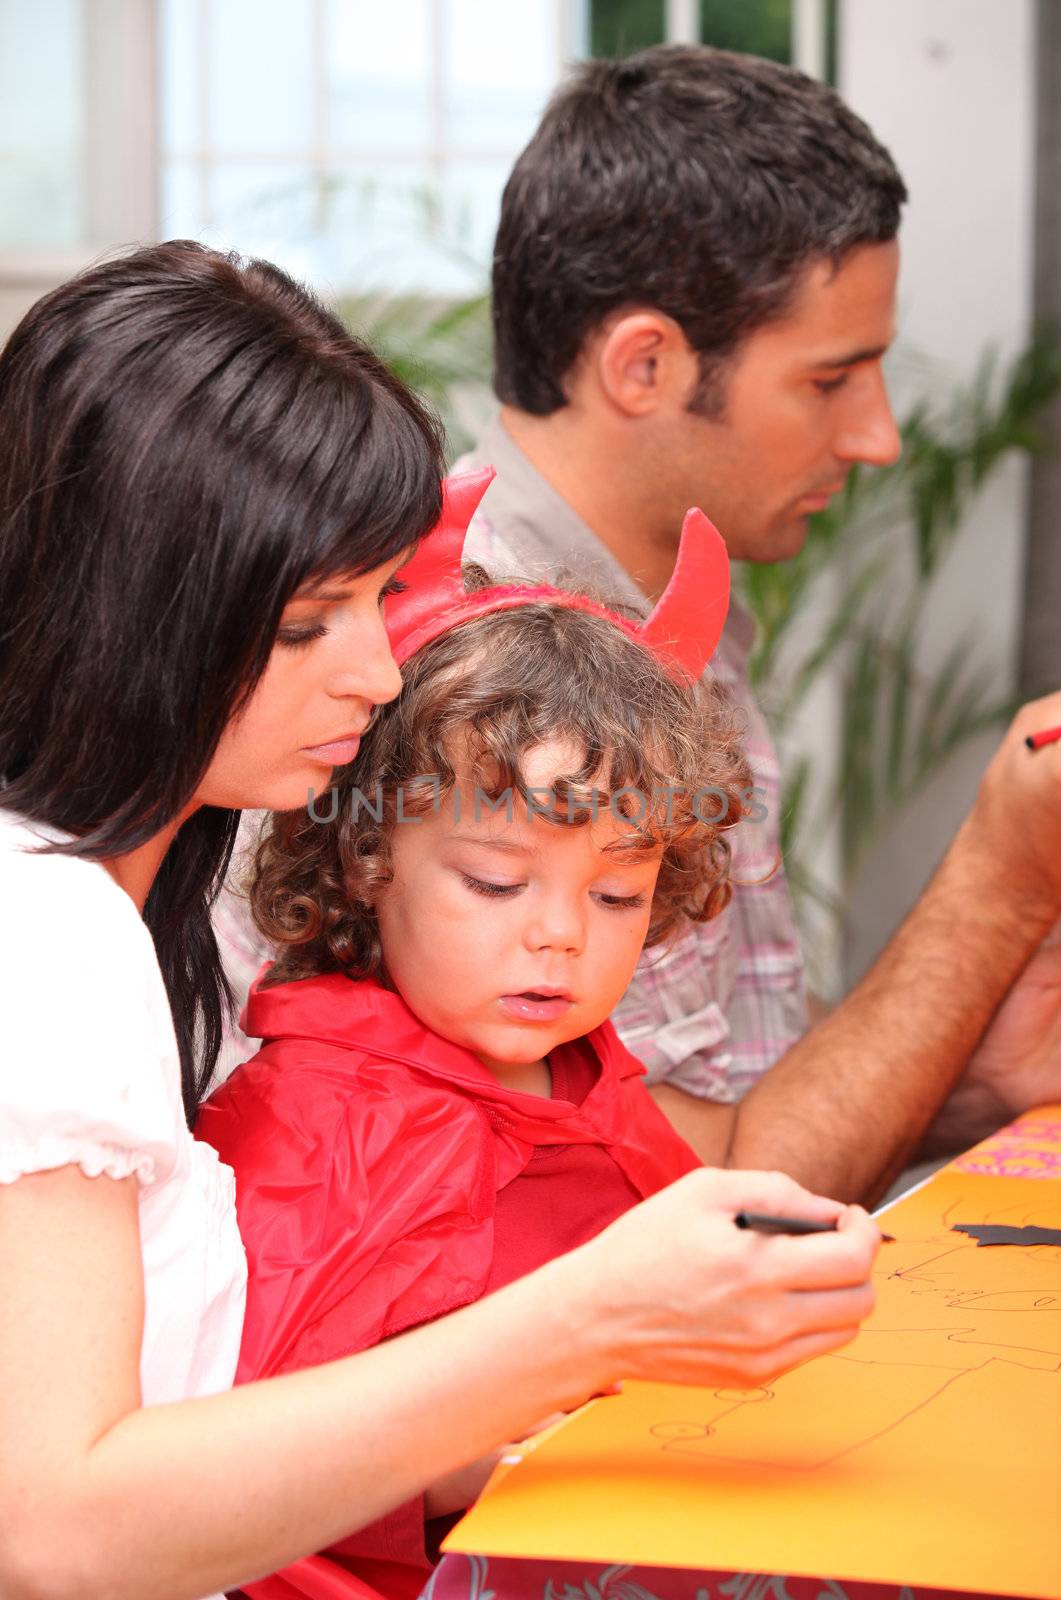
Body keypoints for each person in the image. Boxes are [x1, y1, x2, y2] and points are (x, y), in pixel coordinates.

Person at [0, 242, 881, 1600]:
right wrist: (592, 1319)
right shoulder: (49, 930)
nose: (372, 672)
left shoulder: (123, 909)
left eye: (373, 601)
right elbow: (55, 1533)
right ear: (138, 612)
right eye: (312, 620)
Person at [214, 46, 1061, 1204]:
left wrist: (975, 1080)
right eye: (830, 379)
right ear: (644, 364)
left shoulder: (670, 605)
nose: (878, 438)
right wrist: (1000, 877)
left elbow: (752, 1095)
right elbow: (691, 1194)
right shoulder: (461, 663)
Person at [197, 473, 785, 1596]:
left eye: (616, 897)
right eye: (494, 881)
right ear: (367, 856)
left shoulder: (586, 1073)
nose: (558, 937)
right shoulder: (311, 1129)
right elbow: (269, 1471)